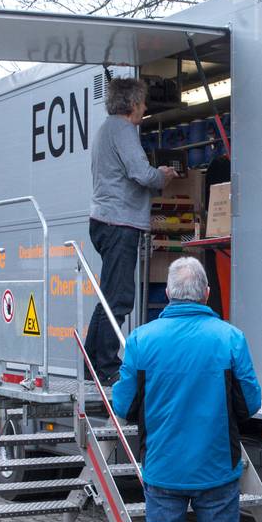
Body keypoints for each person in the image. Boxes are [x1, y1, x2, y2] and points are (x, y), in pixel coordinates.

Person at [112, 257, 261, 522]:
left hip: (162, 469)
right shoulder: (229, 338)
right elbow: (251, 404)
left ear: (168, 295)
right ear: (207, 294)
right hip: (217, 468)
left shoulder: (141, 340)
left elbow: (122, 404)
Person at [86, 77, 178, 384]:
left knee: (109, 296)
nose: (145, 107)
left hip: (105, 221)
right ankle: (106, 366)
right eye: (142, 102)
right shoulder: (124, 130)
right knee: (120, 298)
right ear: (132, 104)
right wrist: (162, 175)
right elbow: (141, 173)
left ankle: (92, 363)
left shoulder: (105, 129)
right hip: (120, 223)